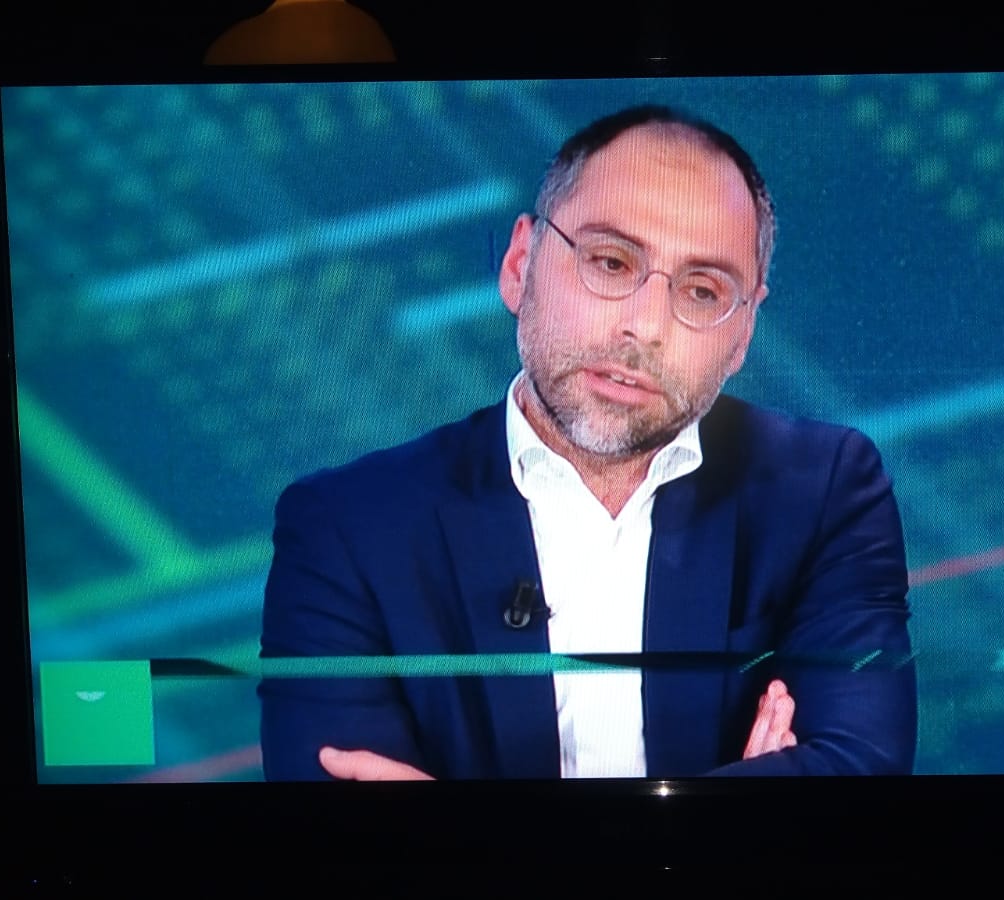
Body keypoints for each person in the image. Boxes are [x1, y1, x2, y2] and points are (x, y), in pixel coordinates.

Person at [258, 104, 916, 780]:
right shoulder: (348, 527)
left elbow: (859, 765)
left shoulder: (824, 491)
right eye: (611, 261)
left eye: (701, 291)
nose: (645, 326)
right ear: (520, 264)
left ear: (743, 332)